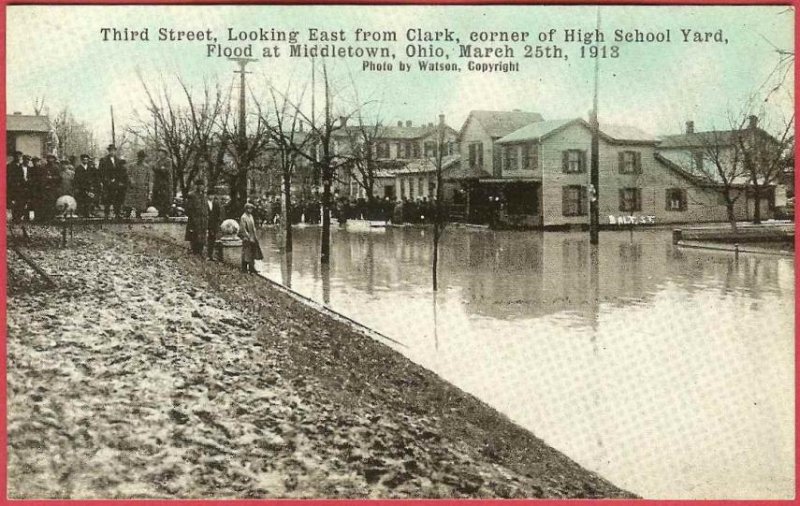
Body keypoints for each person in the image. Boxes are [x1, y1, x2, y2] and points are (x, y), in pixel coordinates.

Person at [99, 144, 124, 219]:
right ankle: (106, 214)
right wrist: (106, 180)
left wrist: (119, 180)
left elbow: (121, 172)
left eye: (113, 150)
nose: (112, 152)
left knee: (117, 198)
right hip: (107, 182)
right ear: (108, 151)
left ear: (115, 151)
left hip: (116, 182)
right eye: (110, 150)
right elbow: (101, 172)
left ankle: (117, 213)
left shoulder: (118, 160)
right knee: (107, 198)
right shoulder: (104, 160)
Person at [184, 179, 208, 256]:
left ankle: (200, 253)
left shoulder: (203, 196)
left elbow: (205, 209)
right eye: (200, 185)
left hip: (203, 221)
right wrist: (194, 219)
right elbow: (188, 209)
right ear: (197, 186)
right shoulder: (192, 195)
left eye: (203, 186)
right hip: (194, 221)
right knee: (195, 237)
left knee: (202, 239)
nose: (202, 187)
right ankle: (195, 252)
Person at [125, 150, 150, 218]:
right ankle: (127, 214)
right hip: (132, 187)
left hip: (141, 187)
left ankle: (138, 215)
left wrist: (146, 185)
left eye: (143, 157)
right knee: (130, 203)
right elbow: (128, 174)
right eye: (140, 157)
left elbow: (148, 177)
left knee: (140, 203)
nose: (141, 158)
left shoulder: (146, 167)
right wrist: (131, 180)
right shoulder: (132, 165)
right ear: (137, 157)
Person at [238, 201, 262, 274]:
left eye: (251, 209)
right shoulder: (243, 217)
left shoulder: (251, 216)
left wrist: (255, 236)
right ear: (246, 209)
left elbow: (253, 227)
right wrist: (248, 237)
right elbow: (243, 228)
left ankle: (252, 268)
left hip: (252, 236)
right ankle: (244, 268)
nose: (250, 210)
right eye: (249, 209)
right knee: (246, 253)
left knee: (253, 252)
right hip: (246, 237)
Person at [6, 151, 28, 222]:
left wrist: (23, 183)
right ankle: (15, 217)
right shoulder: (9, 166)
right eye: (17, 156)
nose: (18, 158)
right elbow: (8, 177)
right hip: (13, 187)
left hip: (20, 187)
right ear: (14, 157)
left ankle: (18, 216)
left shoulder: (20, 166)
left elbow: (22, 176)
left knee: (20, 201)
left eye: (20, 156)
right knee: (14, 202)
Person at [151, 148, 173, 217]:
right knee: (158, 198)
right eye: (159, 152)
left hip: (165, 183)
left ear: (164, 153)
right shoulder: (157, 161)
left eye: (161, 152)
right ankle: (160, 211)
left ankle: (165, 212)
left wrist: (160, 169)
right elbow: (155, 168)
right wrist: (160, 168)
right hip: (158, 183)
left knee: (165, 197)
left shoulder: (168, 161)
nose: (159, 153)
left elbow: (165, 171)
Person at [207, 194, 222, 260]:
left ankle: (211, 255)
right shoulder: (205, 203)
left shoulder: (216, 203)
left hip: (213, 224)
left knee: (212, 239)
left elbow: (218, 213)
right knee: (206, 239)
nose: (211, 196)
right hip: (206, 222)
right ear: (208, 195)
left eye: (212, 195)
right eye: (210, 195)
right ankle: (206, 255)